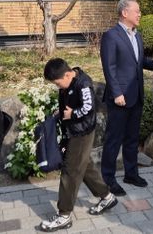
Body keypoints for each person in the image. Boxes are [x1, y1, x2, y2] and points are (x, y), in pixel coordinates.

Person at [100, 0, 153, 196]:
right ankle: (108, 180)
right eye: (137, 11)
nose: (140, 14)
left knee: (132, 139)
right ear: (125, 13)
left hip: (136, 95)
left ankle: (131, 174)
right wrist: (117, 93)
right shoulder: (111, 36)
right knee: (114, 140)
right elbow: (109, 67)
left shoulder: (136, 35)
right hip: (120, 98)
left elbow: (138, 61)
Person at [39, 58, 118, 232]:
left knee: (70, 171)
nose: (58, 87)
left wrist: (72, 114)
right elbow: (70, 102)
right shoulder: (70, 81)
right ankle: (107, 197)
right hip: (74, 130)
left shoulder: (83, 84)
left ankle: (64, 215)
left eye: (57, 83)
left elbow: (88, 108)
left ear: (67, 74)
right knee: (84, 166)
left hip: (82, 133)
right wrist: (61, 113)